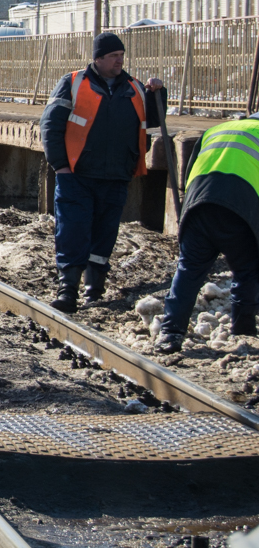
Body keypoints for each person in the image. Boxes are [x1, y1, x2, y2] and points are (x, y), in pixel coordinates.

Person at [40, 32, 162, 313]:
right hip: (77, 175)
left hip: (117, 175)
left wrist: (158, 92)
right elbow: (51, 125)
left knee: (105, 233)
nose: (119, 60)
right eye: (113, 56)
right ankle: (68, 289)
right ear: (98, 58)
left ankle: (94, 288)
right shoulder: (73, 83)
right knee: (73, 229)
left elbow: (154, 119)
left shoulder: (134, 88)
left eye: (121, 56)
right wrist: (61, 166)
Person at [154, 116, 259, 353]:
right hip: (239, 207)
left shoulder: (218, 129)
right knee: (247, 270)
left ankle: (170, 333)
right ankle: (243, 331)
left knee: (189, 269)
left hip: (197, 205)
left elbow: (188, 174)